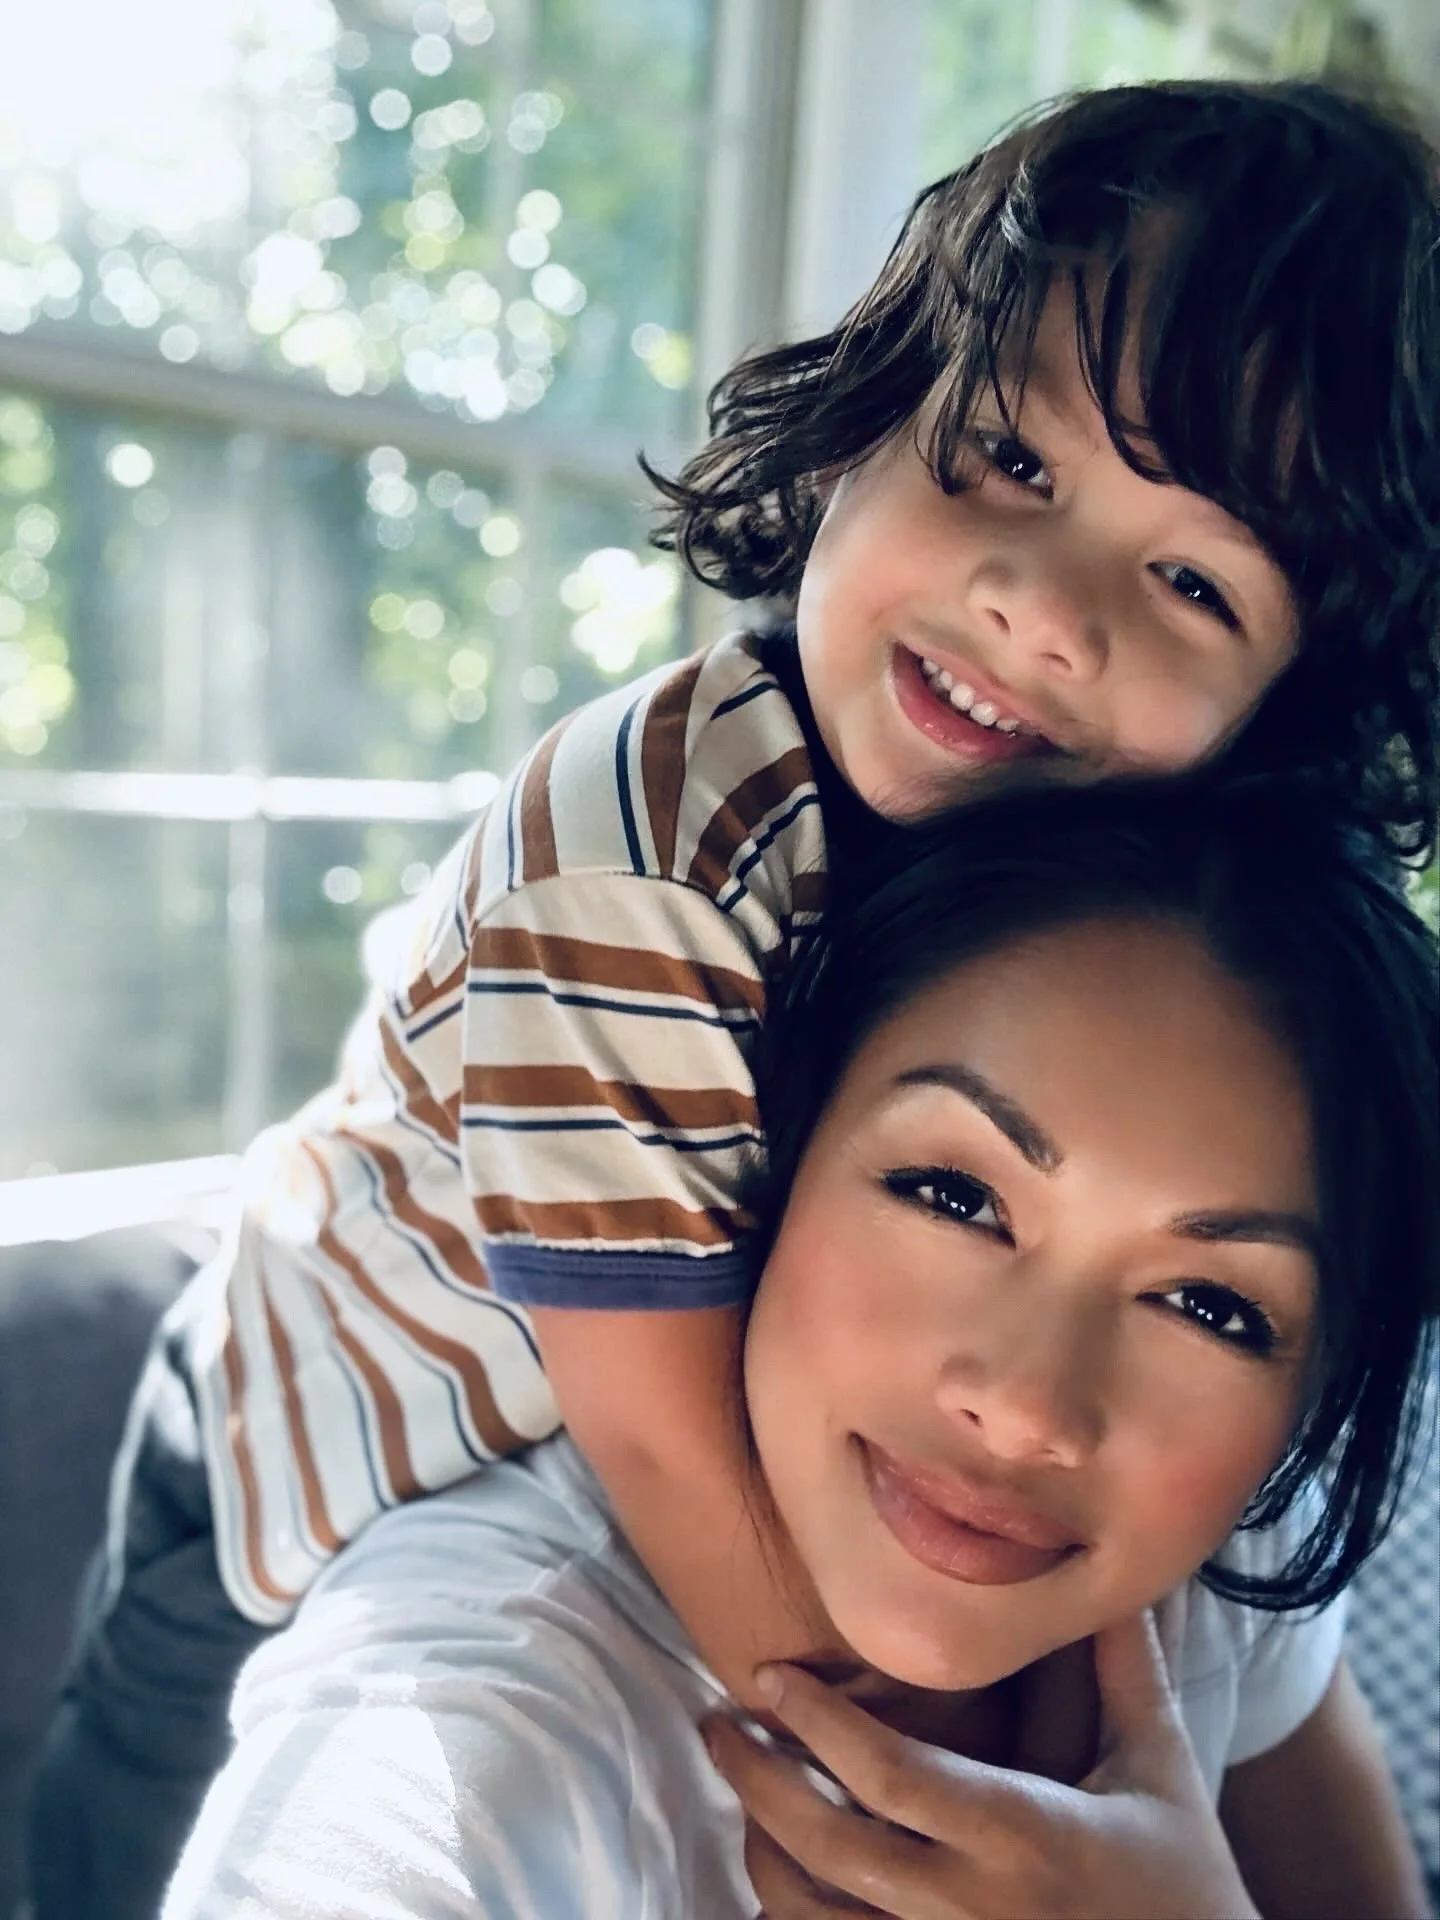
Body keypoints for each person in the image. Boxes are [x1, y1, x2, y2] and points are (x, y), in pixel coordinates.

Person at [30, 78, 1440, 1920]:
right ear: (859, 425)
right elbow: (661, 1451)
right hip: (289, 1474)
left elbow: (1285, 1711)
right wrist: (897, 1814)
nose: (1042, 605)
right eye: (1010, 465)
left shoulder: (1104, 936)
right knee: (111, 1846)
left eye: (1189, 580)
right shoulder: (639, 851)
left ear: (1285, 717)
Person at [160, 772, 1439, 1918]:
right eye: (956, 1195)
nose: (1031, 1406)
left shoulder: (1216, 1564)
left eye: (1211, 1308)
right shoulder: (481, 1711)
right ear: (769, 1163)